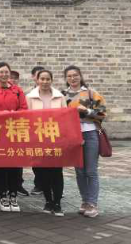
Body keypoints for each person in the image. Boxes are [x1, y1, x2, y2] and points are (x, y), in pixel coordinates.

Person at [0, 62, 27, 212]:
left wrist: (15, 114)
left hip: (14, 131)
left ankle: (13, 195)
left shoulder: (17, 90)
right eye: (1, 72)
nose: (4, 74)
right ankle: (3, 195)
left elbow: (23, 108)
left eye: (6, 72)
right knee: (1, 164)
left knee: (15, 164)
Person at [63, 65, 107, 218]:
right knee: (79, 171)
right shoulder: (63, 95)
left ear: (80, 76)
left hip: (90, 134)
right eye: (69, 76)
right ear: (66, 78)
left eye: (75, 75)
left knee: (91, 171)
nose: (73, 78)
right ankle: (84, 201)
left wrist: (86, 111)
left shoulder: (91, 93)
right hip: (73, 136)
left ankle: (92, 203)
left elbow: (102, 113)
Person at [26, 69, 68, 216]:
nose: (44, 82)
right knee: (42, 172)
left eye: (47, 79)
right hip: (38, 140)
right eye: (42, 79)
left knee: (57, 172)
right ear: (37, 80)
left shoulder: (59, 96)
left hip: (56, 139)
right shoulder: (30, 97)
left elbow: (66, 118)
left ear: (51, 80)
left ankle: (57, 203)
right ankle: (48, 201)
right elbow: (26, 119)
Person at [29, 65, 45, 196]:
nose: (42, 79)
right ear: (34, 77)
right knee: (37, 158)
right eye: (38, 76)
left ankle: (53, 185)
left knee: (53, 158)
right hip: (35, 130)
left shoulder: (56, 94)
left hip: (50, 130)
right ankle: (39, 184)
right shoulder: (29, 94)